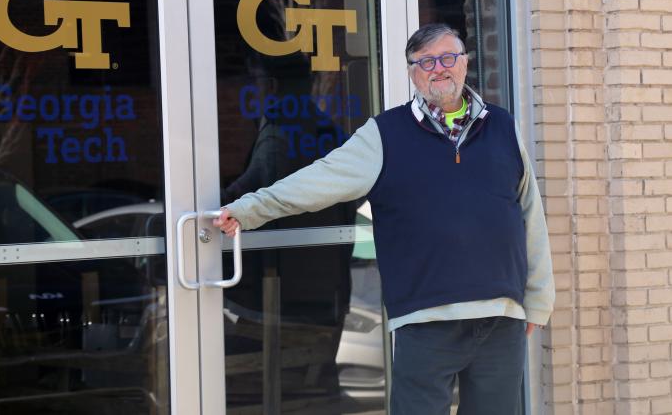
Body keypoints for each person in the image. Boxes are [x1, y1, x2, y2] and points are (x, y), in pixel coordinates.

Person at [216, 23, 555, 414]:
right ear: (412, 72)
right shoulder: (384, 135)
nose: (438, 69)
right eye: (425, 62)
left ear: (464, 64)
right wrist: (247, 209)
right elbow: (317, 181)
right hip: (425, 320)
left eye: (448, 57)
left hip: (500, 319)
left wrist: (539, 300)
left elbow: (530, 214)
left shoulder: (503, 127)